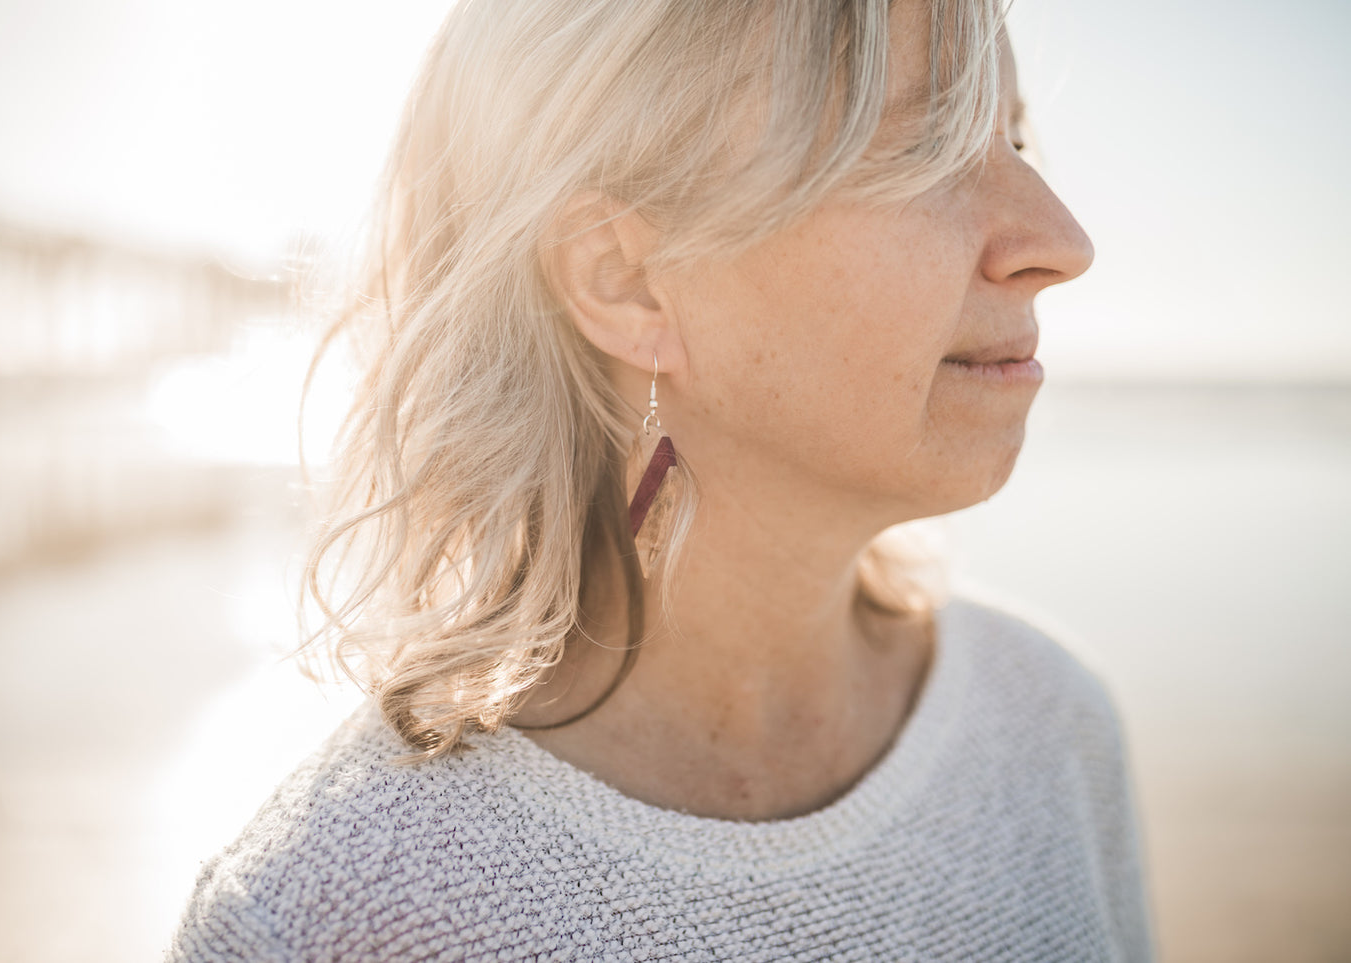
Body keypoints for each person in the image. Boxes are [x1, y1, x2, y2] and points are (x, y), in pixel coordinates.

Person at [169, 0, 1153, 959]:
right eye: (919, 151)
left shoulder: (1047, 726)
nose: (1060, 243)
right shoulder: (326, 915)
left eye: (1014, 144)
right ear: (623, 281)